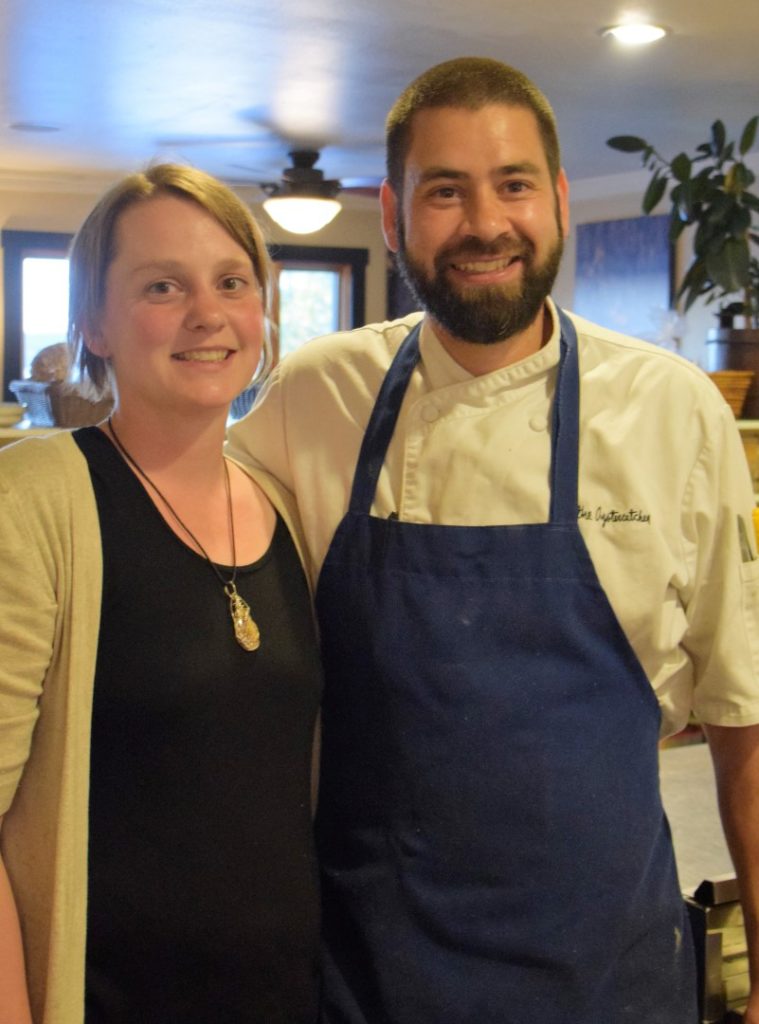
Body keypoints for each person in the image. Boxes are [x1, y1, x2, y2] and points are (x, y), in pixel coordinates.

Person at [227, 57, 759, 1023]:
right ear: (391, 215)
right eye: (444, 191)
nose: (484, 223)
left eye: (513, 184)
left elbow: (743, 720)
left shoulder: (670, 411)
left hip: (610, 977)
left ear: (556, 199)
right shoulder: (314, 396)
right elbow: (183, 547)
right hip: (365, 980)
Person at [0, 164, 323, 1023]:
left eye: (230, 282)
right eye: (161, 286)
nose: (206, 314)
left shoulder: (282, 507)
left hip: (283, 997)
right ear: (95, 326)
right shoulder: (37, 496)